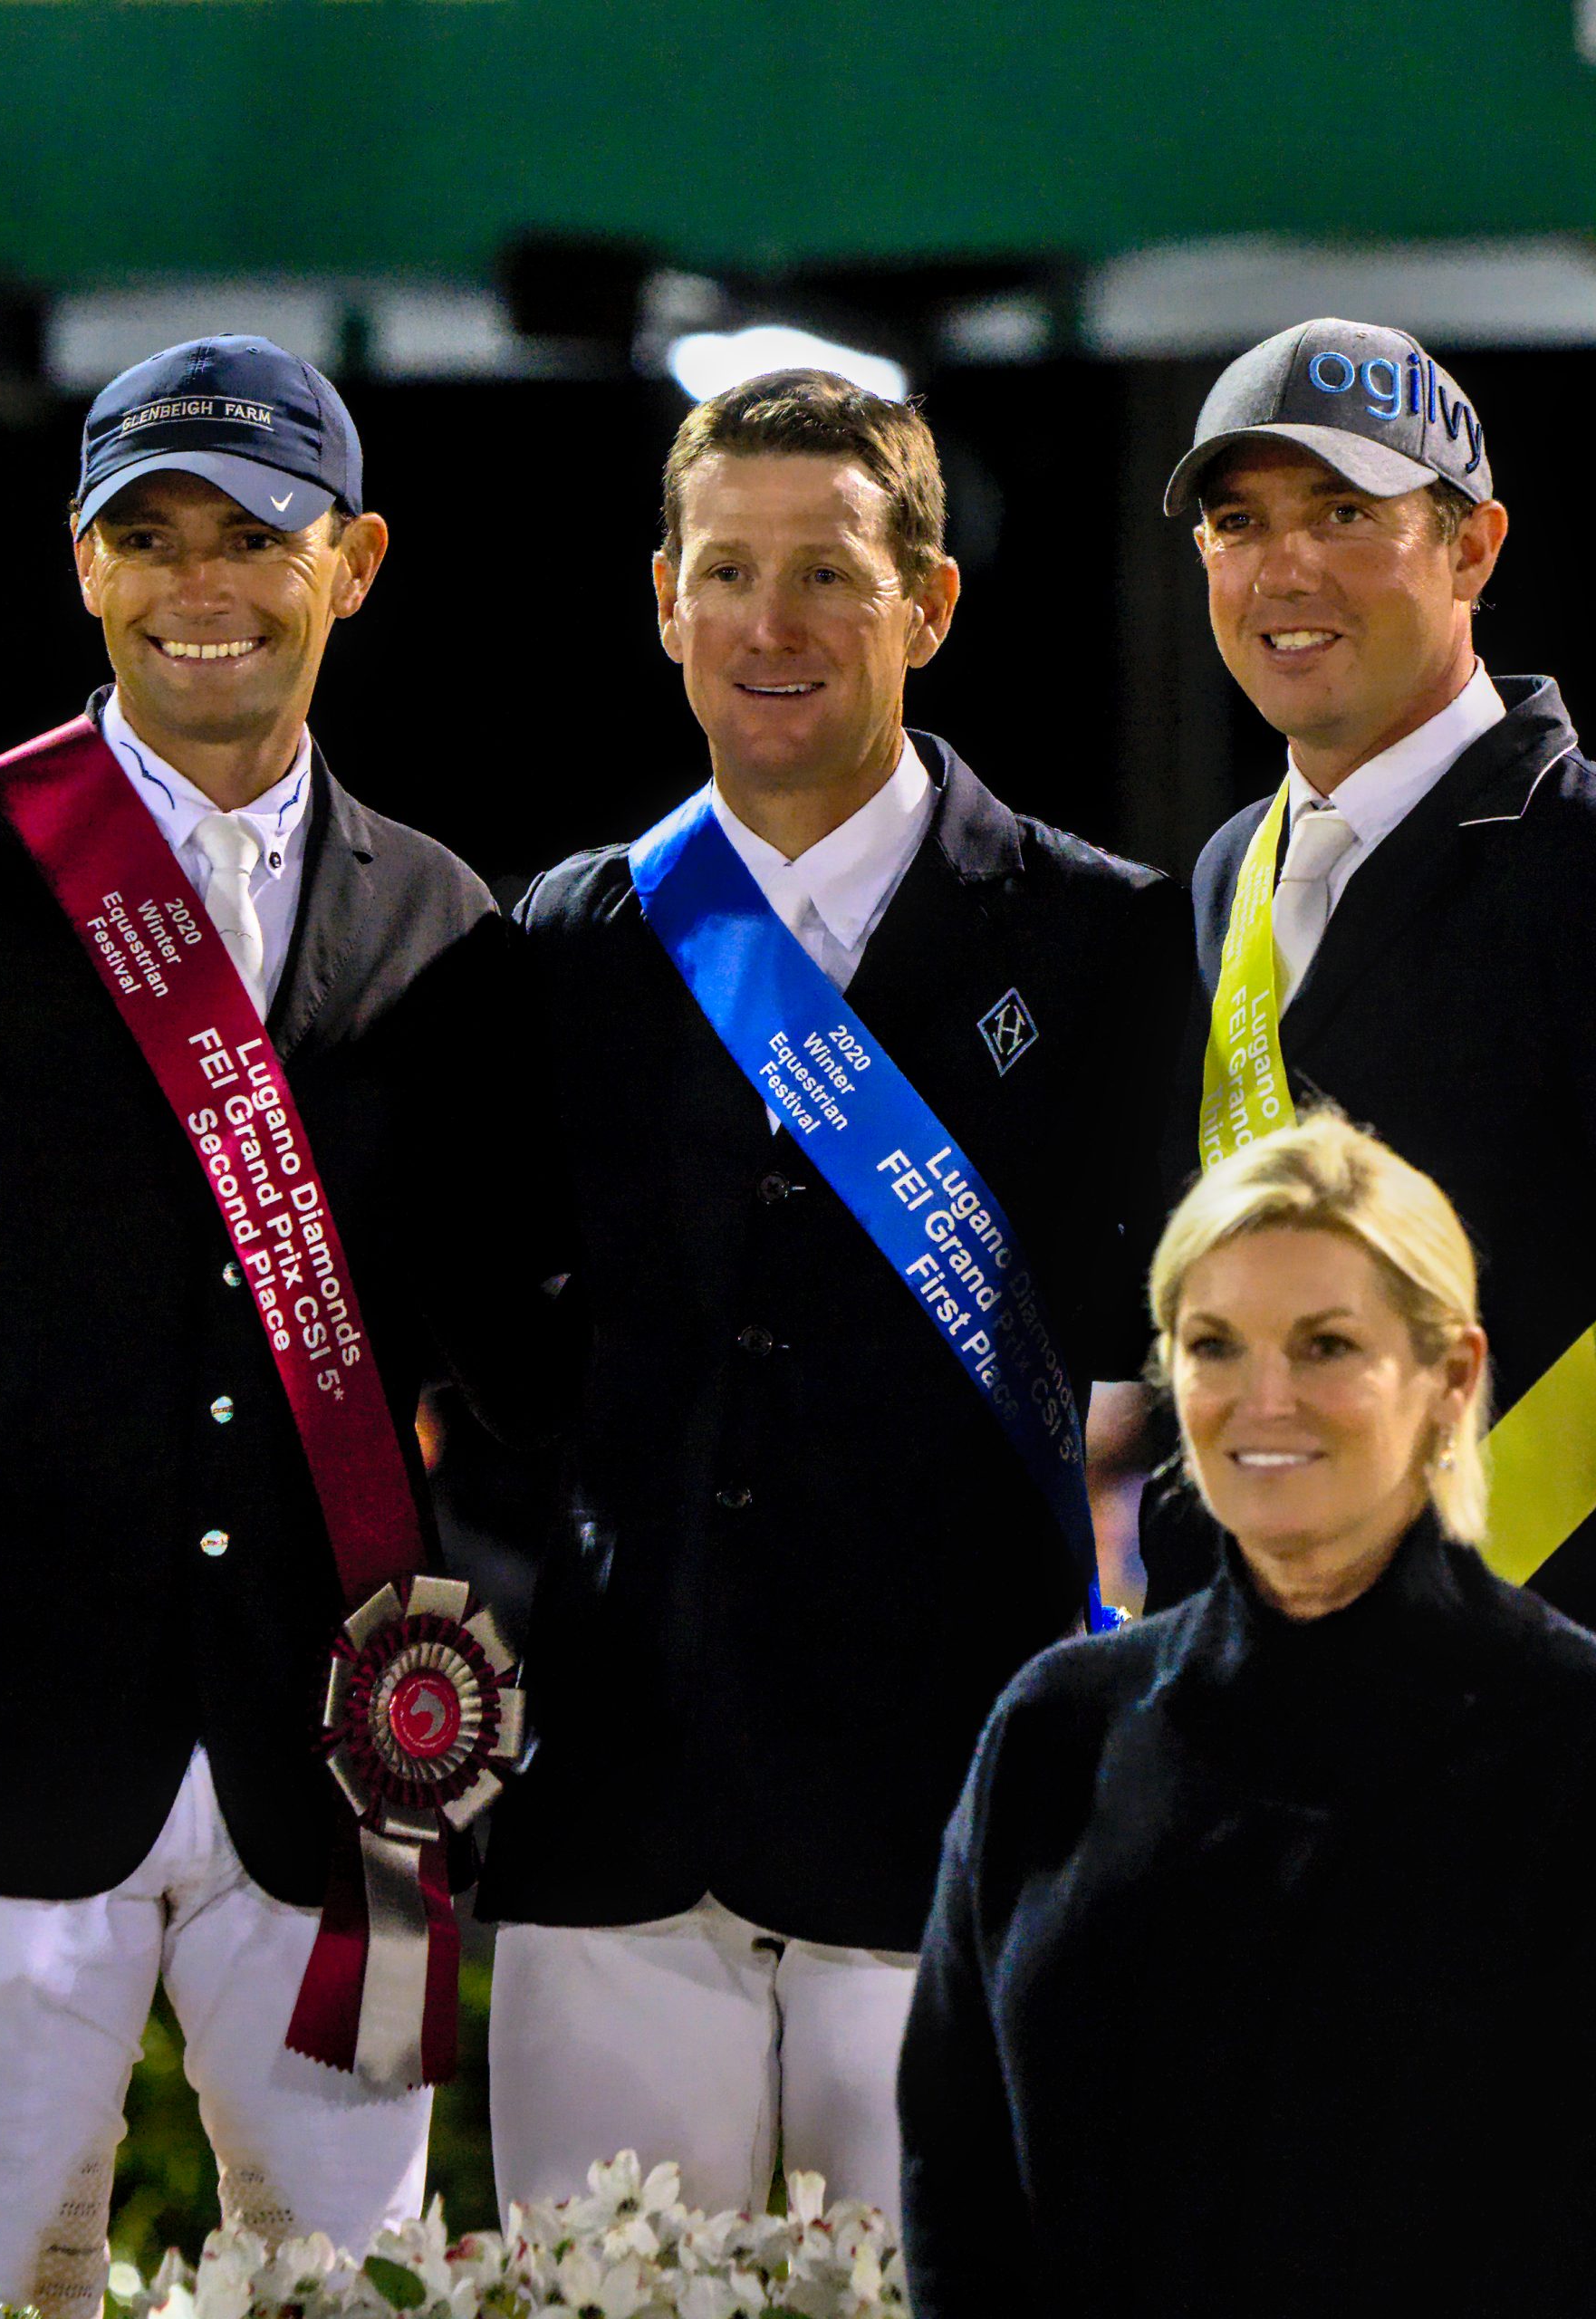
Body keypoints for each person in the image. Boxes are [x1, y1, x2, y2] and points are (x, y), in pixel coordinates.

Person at [0, 334, 570, 2316]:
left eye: (254, 534)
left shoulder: (444, 923)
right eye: (146, 536)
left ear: (357, 560)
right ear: (84, 566)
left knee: (358, 2289)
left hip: (339, 1776)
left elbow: (506, 1348)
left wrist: (521, 1621)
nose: (200, 583)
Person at [476, 368, 1192, 2219]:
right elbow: (491, 1339)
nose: (767, 625)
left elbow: (1164, 1357)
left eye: (822, 574)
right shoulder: (569, 938)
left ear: (928, 605)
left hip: (953, 1819)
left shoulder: (1103, 939)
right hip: (618, 1827)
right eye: (723, 571)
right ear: (661, 601)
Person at [1143, 317, 1596, 1898]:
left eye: (1346, 516)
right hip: (1263, 1756)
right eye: (1239, 524)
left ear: (1473, 548)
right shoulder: (1227, 884)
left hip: (1549, 1769)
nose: (1285, 571)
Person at [899, 1111, 1596, 2319]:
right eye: (1214, 1345)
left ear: (1450, 1377)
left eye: (1328, 1345)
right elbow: (957, 2192)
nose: (1263, 1400)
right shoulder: (1055, 1729)